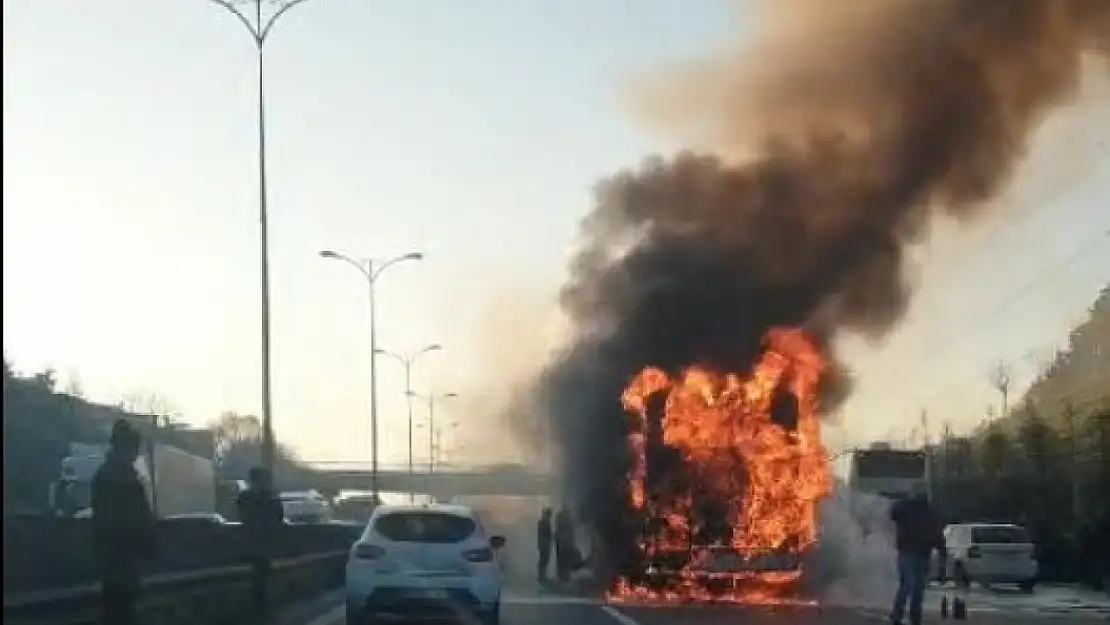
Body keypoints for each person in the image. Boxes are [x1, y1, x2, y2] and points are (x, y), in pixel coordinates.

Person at [91, 419, 156, 625]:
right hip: (122, 557)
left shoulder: (108, 475)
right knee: (122, 610)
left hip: (116, 558)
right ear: (124, 447)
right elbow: (132, 517)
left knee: (117, 608)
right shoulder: (121, 478)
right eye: (133, 448)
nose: (136, 454)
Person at [889, 486, 945, 625]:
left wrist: (942, 550)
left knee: (911, 586)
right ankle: (909, 616)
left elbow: (893, 514)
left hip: (912, 553)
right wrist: (942, 551)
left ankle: (902, 615)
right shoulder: (927, 511)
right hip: (918, 554)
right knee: (914, 587)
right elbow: (937, 533)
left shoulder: (908, 508)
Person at [237, 466, 285, 622]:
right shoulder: (271, 499)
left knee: (261, 582)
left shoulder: (245, 497)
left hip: (255, 545)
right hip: (262, 546)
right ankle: (263, 613)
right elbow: (278, 521)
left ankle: (261, 613)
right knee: (263, 582)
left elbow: (244, 518)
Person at [554, 505, 578, 583]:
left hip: (562, 541)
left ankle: (563, 577)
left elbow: (571, 529)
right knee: (564, 559)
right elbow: (571, 529)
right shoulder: (567, 517)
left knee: (562, 559)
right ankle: (564, 577)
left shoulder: (562, 516)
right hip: (563, 541)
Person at [537, 507, 553, 583]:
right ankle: (542, 576)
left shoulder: (541, 522)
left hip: (542, 543)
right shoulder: (545, 523)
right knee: (544, 560)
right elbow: (548, 534)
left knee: (543, 560)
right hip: (545, 543)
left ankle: (542, 576)